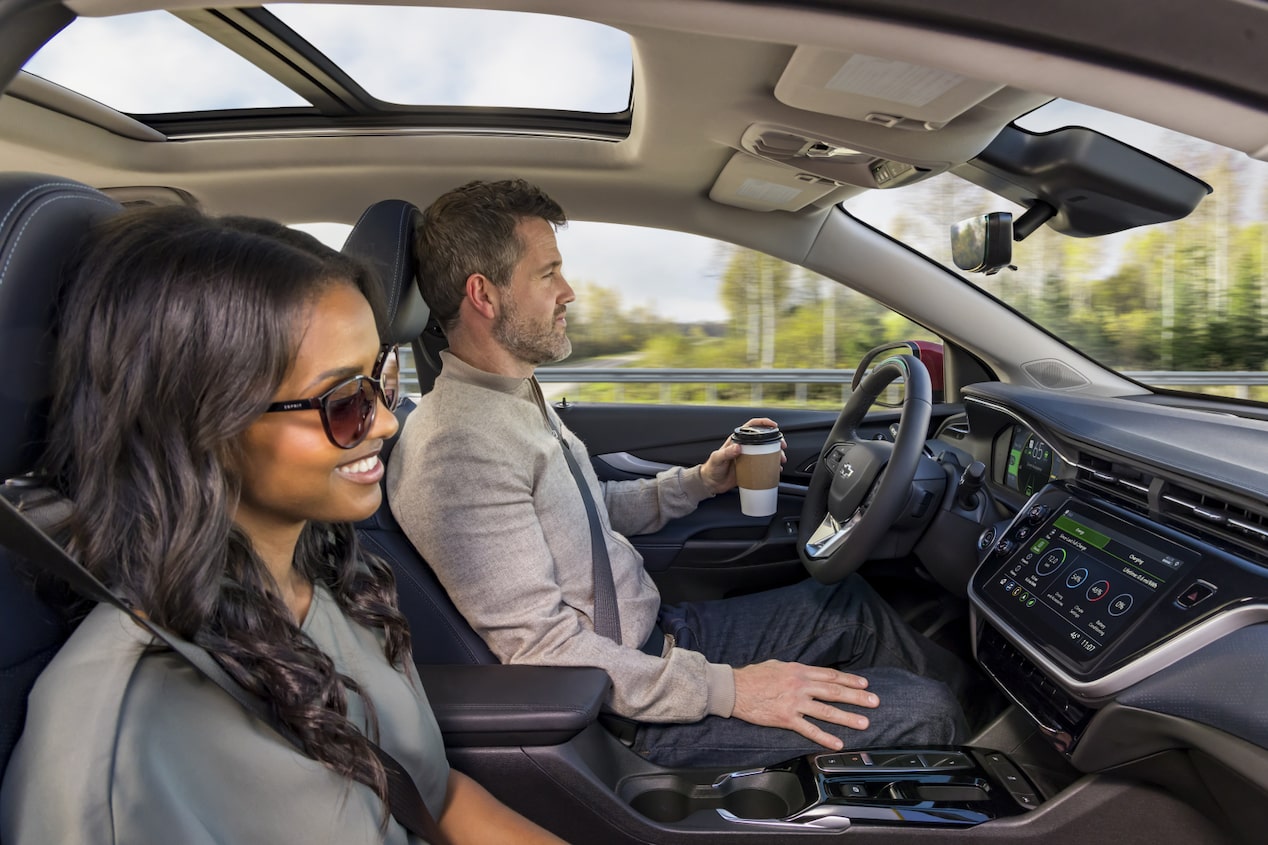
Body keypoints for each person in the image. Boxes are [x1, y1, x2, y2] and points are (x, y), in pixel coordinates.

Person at [0, 206, 566, 844]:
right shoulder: (117, 750)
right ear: (205, 424)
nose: (384, 421)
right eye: (342, 401)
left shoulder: (333, 582)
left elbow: (433, 795)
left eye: (382, 378)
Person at [388, 179, 971, 770]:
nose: (568, 292)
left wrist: (700, 482)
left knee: (848, 604)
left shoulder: (511, 398)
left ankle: (989, 735)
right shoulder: (457, 448)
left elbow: (584, 517)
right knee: (924, 709)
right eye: (548, 273)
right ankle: (998, 779)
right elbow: (543, 652)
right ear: (484, 296)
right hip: (628, 711)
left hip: (660, 636)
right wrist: (734, 690)